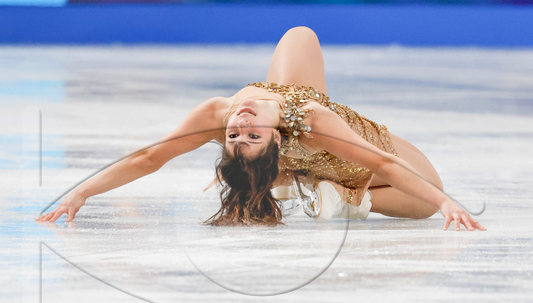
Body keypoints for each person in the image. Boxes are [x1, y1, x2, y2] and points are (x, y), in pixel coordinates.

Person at [36, 27, 486, 232]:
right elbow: (382, 162)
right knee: (424, 203)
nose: (241, 125)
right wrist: (444, 201)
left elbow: (148, 157)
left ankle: (308, 185)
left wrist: (82, 191)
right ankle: (342, 197)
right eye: (251, 136)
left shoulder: (217, 113)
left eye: (235, 137)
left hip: (305, 160)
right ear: (276, 139)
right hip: (353, 147)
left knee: (299, 36)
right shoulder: (311, 121)